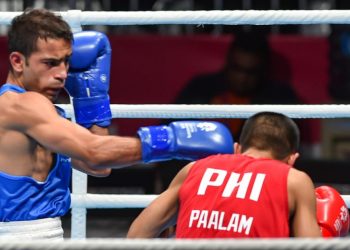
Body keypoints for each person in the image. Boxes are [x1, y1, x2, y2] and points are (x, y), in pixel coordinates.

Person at [0, 9, 234, 239]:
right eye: (50, 63)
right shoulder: (21, 105)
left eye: (66, 62)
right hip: (17, 237)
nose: (62, 74)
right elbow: (95, 152)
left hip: (44, 233)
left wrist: (90, 98)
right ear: (18, 62)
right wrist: (169, 140)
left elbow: (97, 167)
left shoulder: (43, 110)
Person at [127, 112, 348, 238]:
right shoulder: (295, 180)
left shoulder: (194, 169)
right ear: (292, 160)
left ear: (236, 149)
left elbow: (137, 235)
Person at [174, 31, 300, 137]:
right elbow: (173, 130)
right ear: (227, 63)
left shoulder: (279, 98)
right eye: (237, 69)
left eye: (251, 72)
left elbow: (287, 145)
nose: (242, 78)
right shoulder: (200, 89)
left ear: (263, 70)